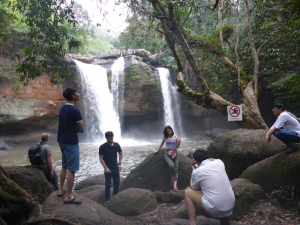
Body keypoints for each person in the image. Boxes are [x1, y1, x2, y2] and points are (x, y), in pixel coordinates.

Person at [185, 149, 235, 225]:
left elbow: (193, 187)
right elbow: (212, 160)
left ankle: (192, 223)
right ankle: (225, 220)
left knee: (187, 192)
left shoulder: (197, 172)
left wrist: (193, 171)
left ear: (196, 161)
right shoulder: (219, 162)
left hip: (216, 209)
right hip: (230, 206)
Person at [57, 87, 84, 205]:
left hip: (62, 141)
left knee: (64, 165)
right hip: (71, 142)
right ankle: (68, 196)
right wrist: (75, 129)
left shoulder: (63, 108)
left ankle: (61, 189)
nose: (79, 94)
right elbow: (81, 129)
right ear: (73, 96)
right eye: (77, 93)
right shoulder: (75, 111)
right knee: (72, 169)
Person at [154, 125, 180, 191]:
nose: (169, 133)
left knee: (176, 169)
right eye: (167, 132)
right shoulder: (165, 137)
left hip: (175, 154)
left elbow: (177, 147)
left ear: (172, 130)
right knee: (171, 166)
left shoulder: (176, 137)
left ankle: (175, 185)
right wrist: (157, 150)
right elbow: (161, 144)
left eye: (169, 131)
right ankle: (172, 177)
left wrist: (179, 142)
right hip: (168, 154)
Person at [99, 131, 123, 202]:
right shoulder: (103, 147)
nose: (110, 140)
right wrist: (105, 168)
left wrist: (119, 164)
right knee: (108, 186)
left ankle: (114, 200)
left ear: (113, 138)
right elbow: (101, 158)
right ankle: (107, 201)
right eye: (109, 139)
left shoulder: (116, 145)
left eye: (111, 138)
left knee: (117, 185)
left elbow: (121, 154)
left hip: (115, 168)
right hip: (108, 169)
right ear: (106, 138)